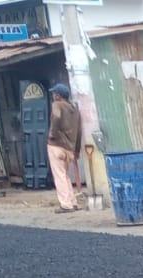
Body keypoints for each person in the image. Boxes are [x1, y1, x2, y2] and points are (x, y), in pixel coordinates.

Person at [47, 83, 82, 212]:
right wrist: (77, 150)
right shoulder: (75, 110)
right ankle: (73, 202)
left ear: (58, 95)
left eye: (54, 93)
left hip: (56, 146)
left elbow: (56, 117)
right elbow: (79, 131)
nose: (53, 96)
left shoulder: (57, 105)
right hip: (69, 148)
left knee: (59, 175)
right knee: (65, 175)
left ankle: (66, 205)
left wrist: (52, 134)